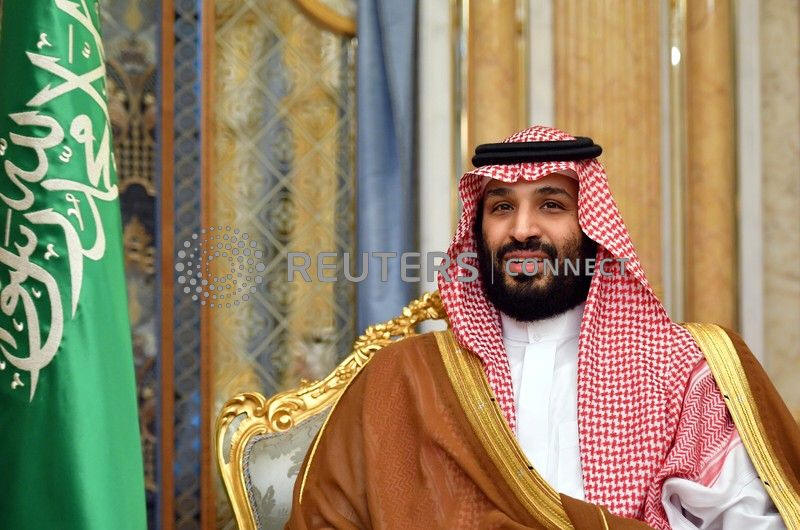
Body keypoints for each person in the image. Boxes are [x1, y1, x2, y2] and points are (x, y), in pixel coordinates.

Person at [286, 126, 800, 529]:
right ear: (478, 232)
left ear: (592, 228)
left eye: (551, 205)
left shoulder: (682, 369)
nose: (522, 229)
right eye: (502, 207)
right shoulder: (405, 377)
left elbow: (749, 519)